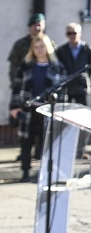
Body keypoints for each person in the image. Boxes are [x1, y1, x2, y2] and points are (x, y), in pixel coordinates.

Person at [8, 33, 66, 181]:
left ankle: (43, 173)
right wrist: (14, 107)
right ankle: (26, 172)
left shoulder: (57, 67)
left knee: (45, 142)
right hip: (28, 109)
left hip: (47, 110)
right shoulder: (26, 66)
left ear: (47, 48)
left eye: (42, 46)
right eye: (36, 47)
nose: (39, 50)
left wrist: (59, 110)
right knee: (26, 141)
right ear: (32, 49)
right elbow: (16, 87)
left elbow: (62, 91)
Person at [55, 22, 91, 105]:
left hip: (81, 87)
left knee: (81, 111)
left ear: (80, 34)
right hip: (66, 87)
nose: (72, 36)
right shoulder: (61, 51)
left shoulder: (88, 50)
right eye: (69, 33)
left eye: (74, 33)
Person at [7, 13, 46, 89]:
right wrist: (16, 84)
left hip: (44, 85)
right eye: (34, 25)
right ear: (29, 27)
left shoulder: (49, 44)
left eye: (39, 25)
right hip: (24, 84)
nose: (37, 28)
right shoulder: (20, 44)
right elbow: (14, 66)